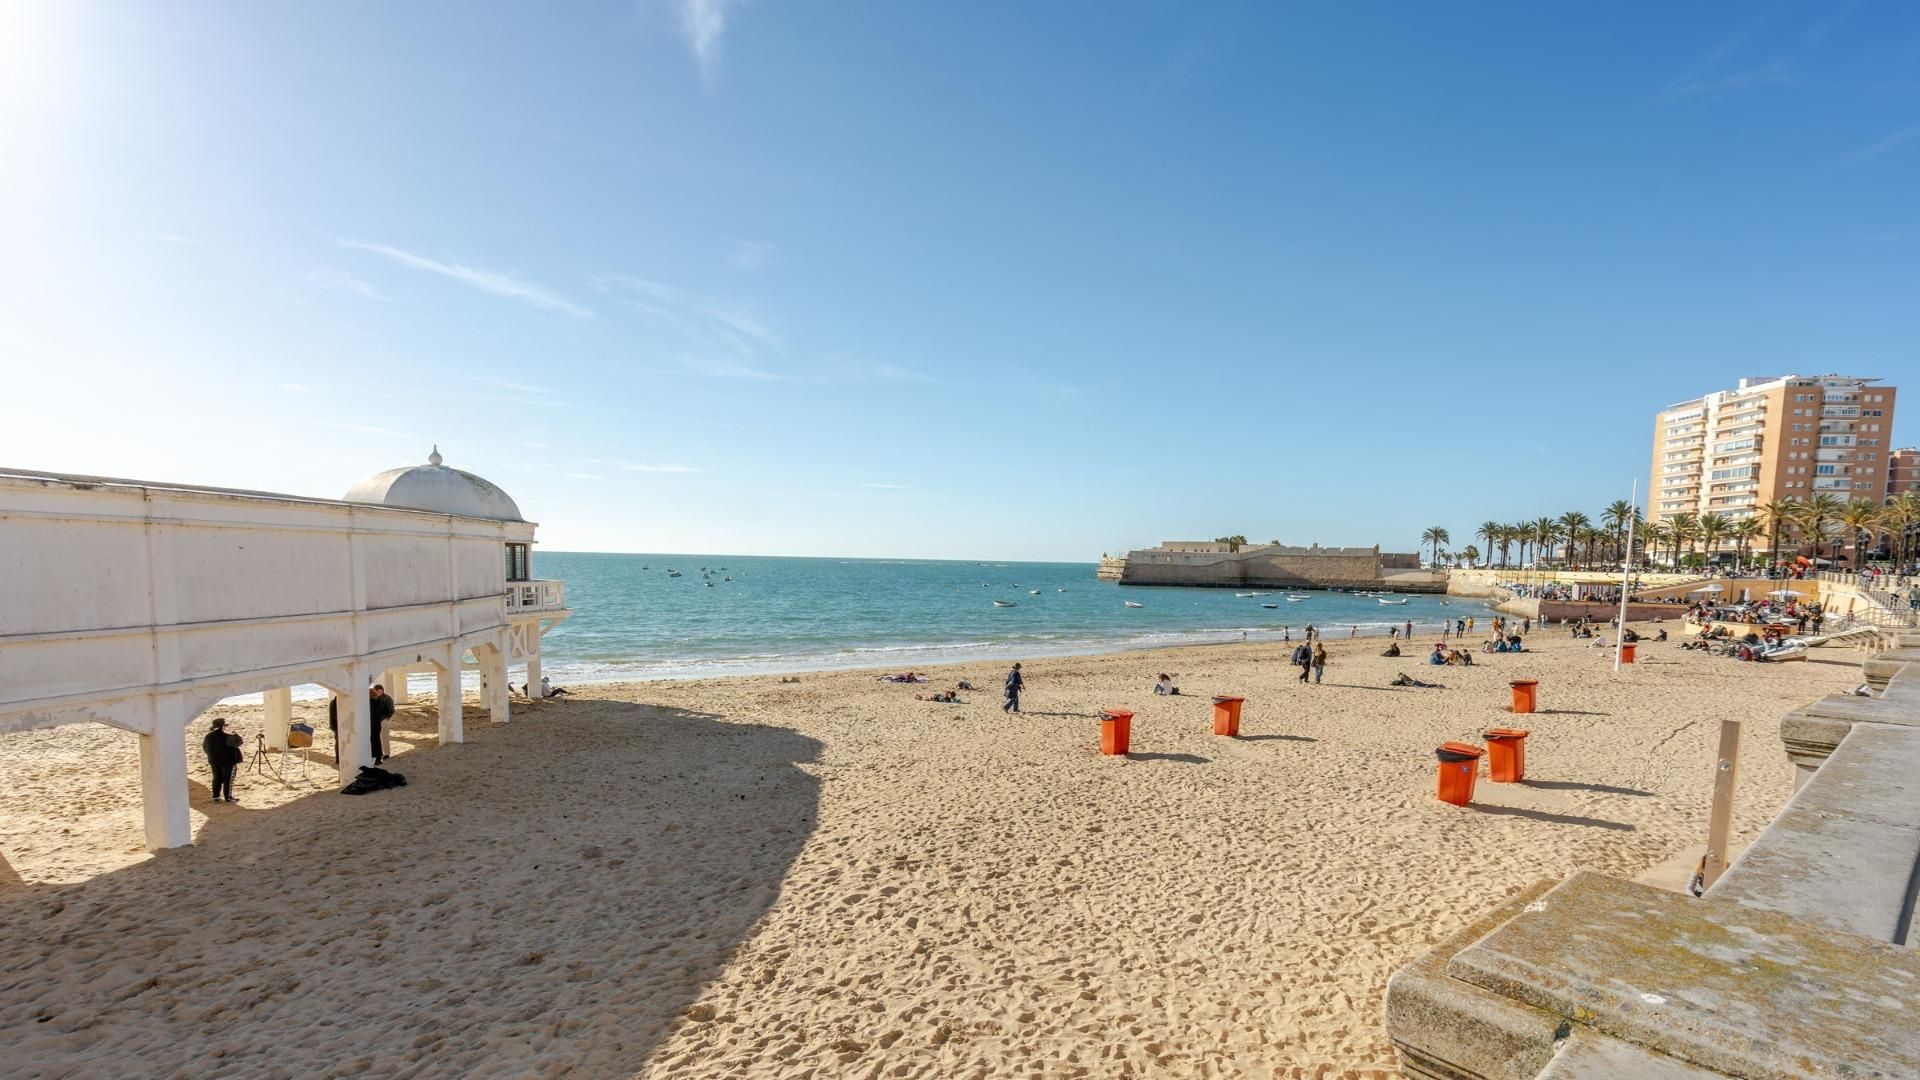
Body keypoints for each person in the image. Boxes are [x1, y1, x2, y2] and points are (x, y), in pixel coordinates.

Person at [203, 718, 242, 803]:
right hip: (227, 762)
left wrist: (212, 756)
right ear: (223, 726)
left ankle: (215, 797)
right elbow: (238, 743)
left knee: (216, 778)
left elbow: (205, 748)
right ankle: (228, 797)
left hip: (213, 761)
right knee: (228, 779)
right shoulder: (227, 736)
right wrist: (236, 735)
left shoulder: (208, 736)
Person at [369, 684, 395, 765]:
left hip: (385, 719)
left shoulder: (387, 698)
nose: (380, 692)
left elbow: (391, 710)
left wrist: (386, 718)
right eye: (378, 691)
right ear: (375, 691)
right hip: (378, 720)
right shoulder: (375, 698)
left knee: (384, 737)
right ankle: (378, 755)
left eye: (381, 691)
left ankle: (386, 753)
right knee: (377, 738)